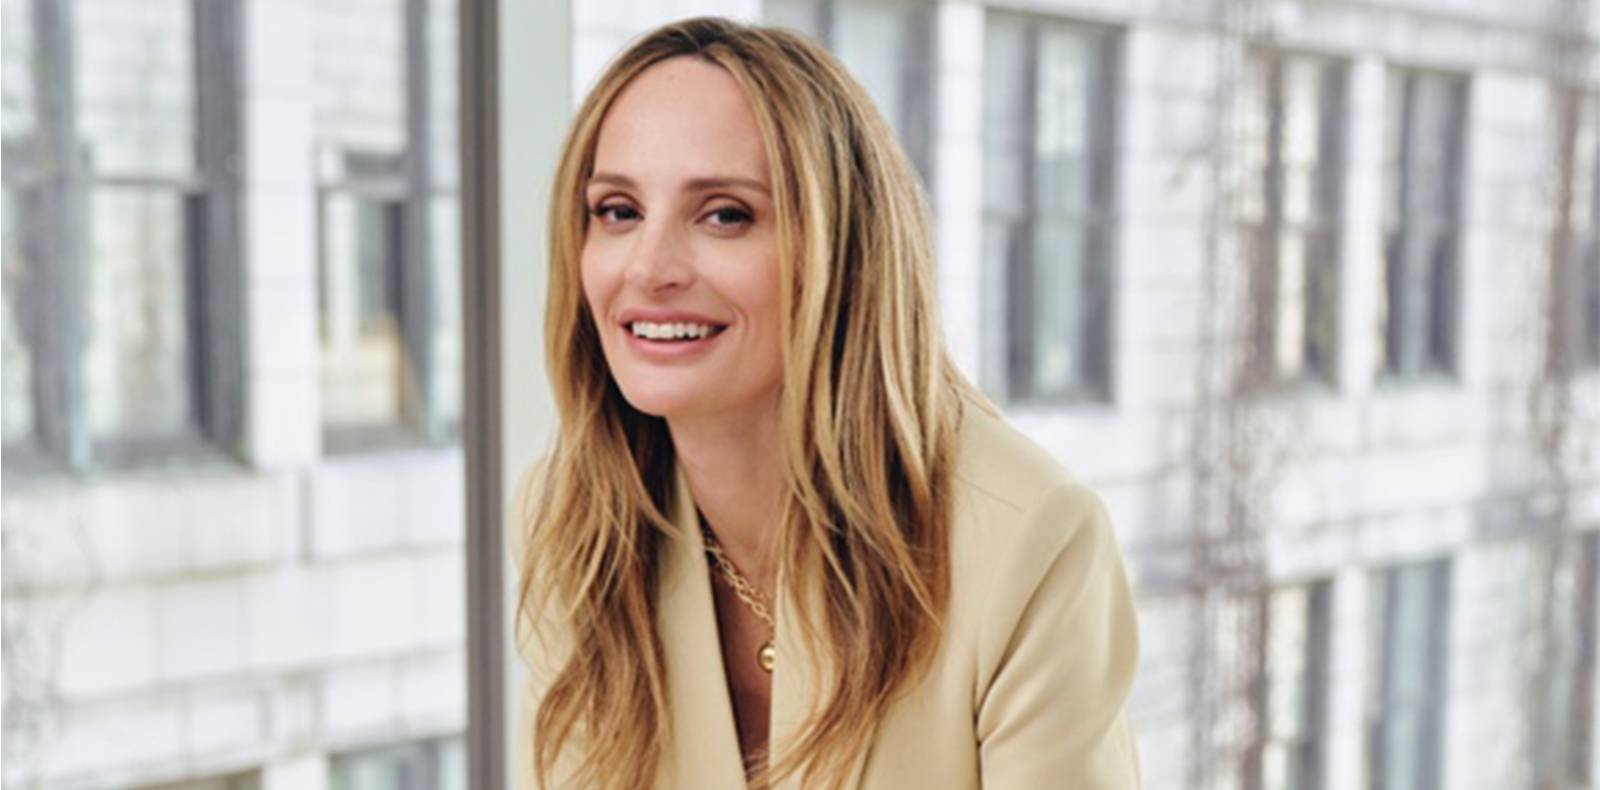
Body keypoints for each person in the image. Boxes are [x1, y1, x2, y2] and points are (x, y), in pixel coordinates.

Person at [512, 16, 1140, 790]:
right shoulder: (572, 521)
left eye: (725, 214)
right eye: (618, 211)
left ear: (842, 253)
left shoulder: (1028, 540)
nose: (648, 267)